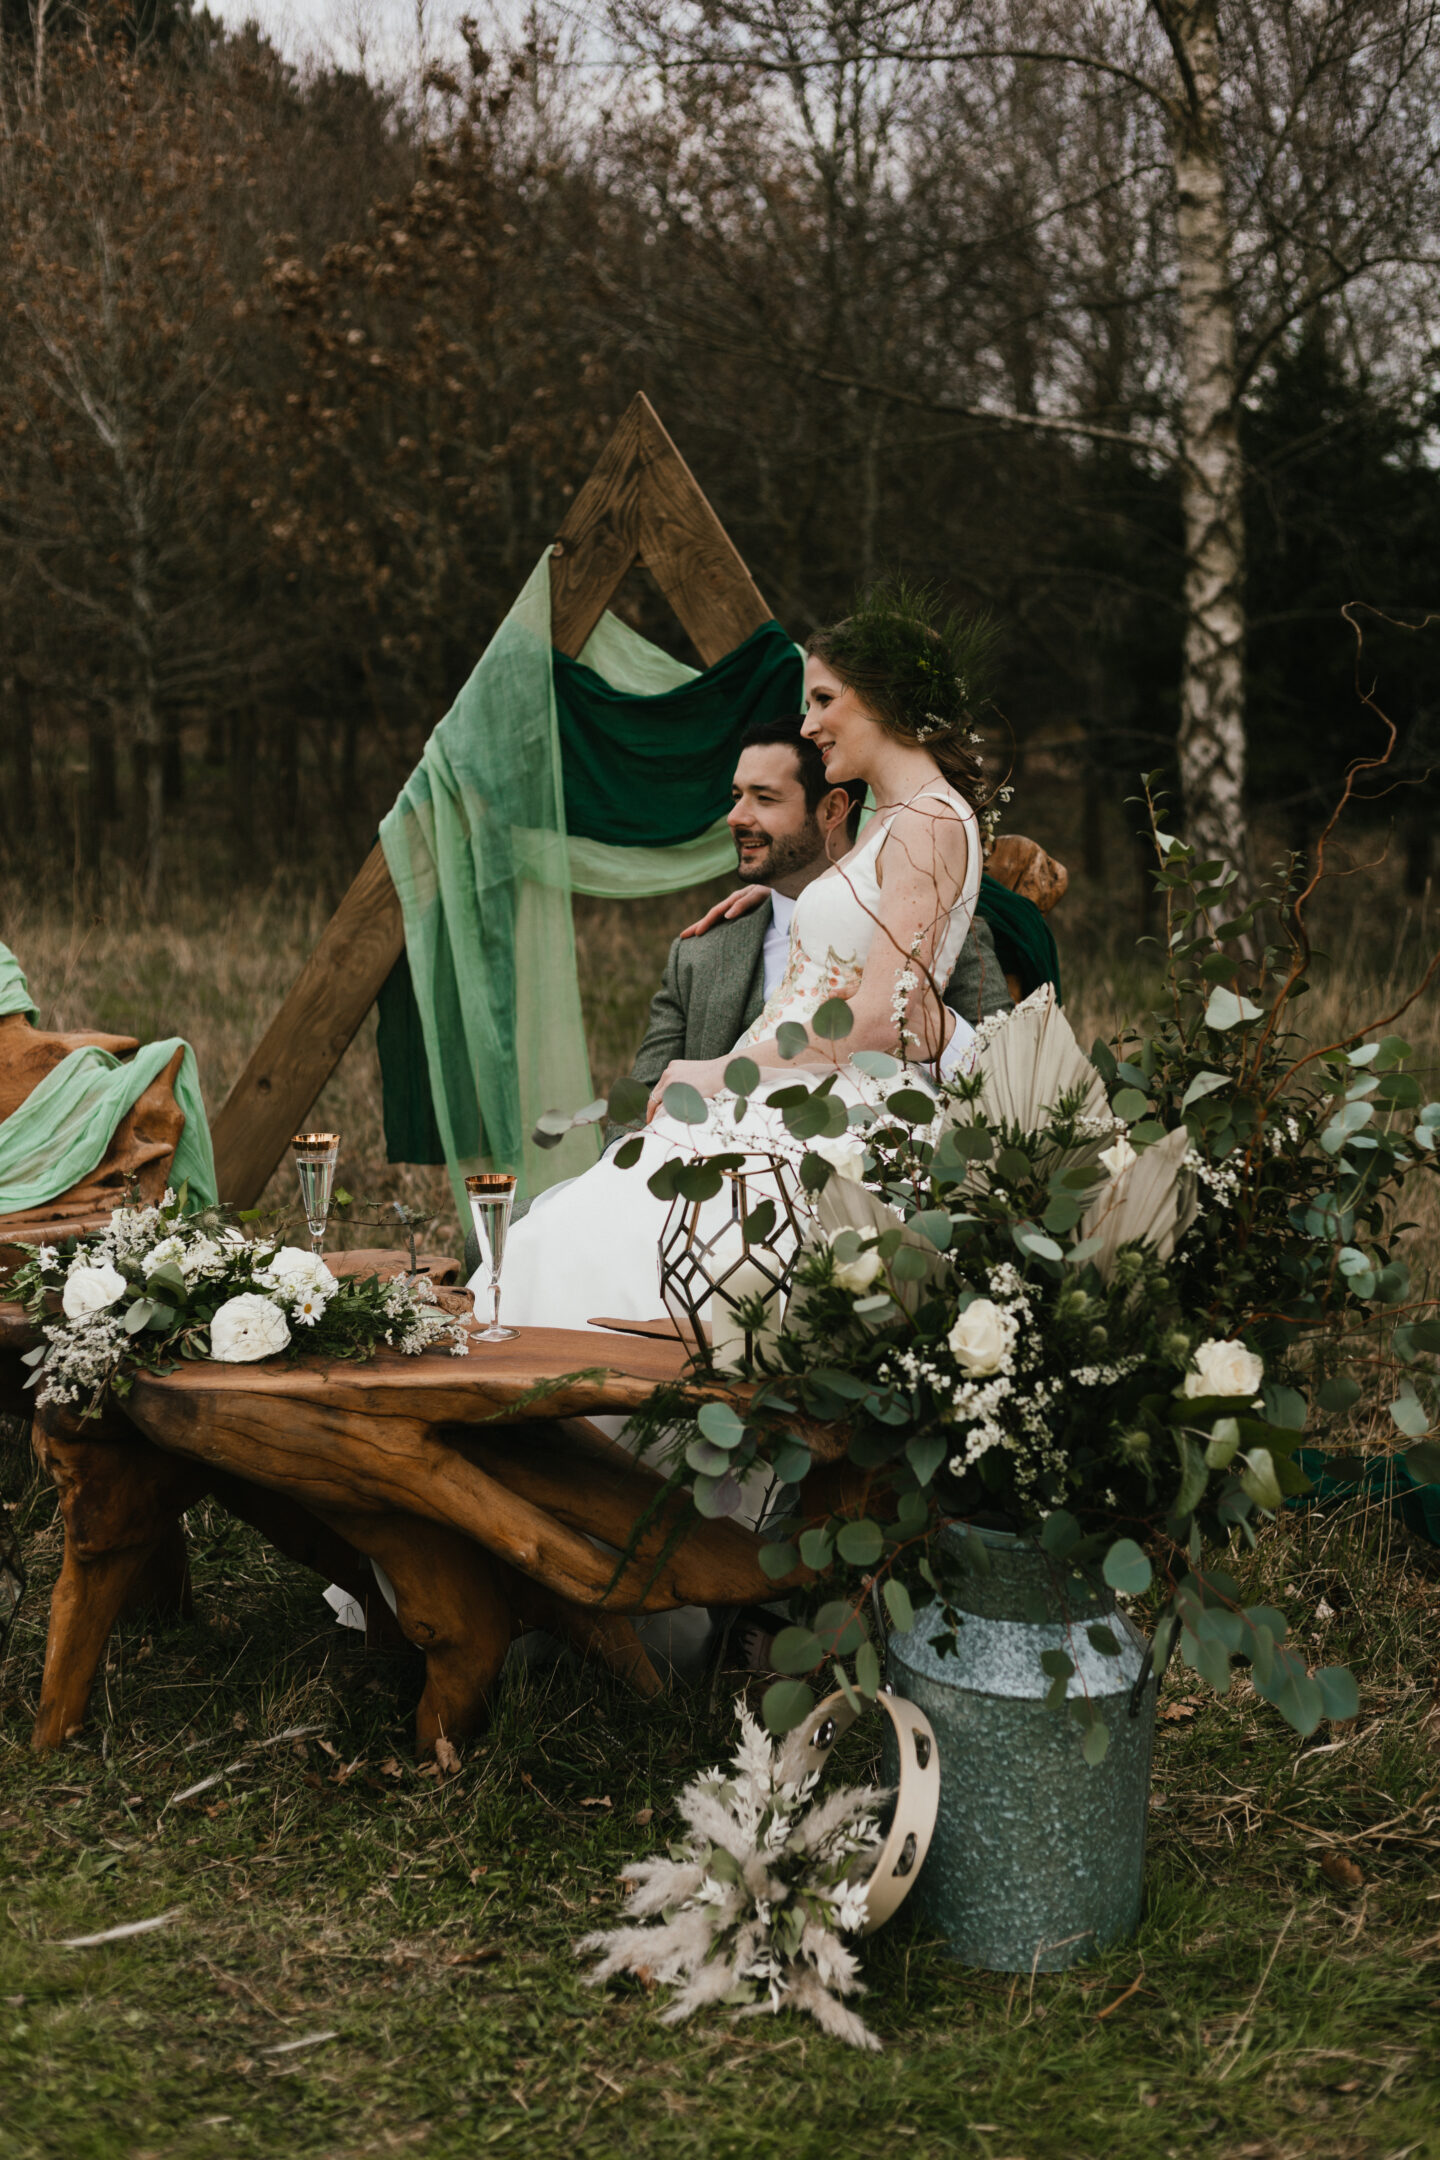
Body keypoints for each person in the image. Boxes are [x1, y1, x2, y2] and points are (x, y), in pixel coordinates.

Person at [489, 581, 997, 1336]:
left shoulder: (926, 822)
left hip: (841, 1105)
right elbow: (864, 921)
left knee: (597, 1249)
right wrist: (789, 901)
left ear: (883, 699)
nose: (810, 723)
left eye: (824, 700)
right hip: (801, 1092)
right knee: (564, 1238)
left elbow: (880, 1022)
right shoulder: (897, 818)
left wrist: (719, 1071)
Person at [630, 714, 1010, 1101]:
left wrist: (934, 1032)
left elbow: (1007, 1069)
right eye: (736, 797)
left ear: (832, 810)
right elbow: (637, 1110)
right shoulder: (697, 953)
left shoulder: (931, 923)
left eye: (765, 798)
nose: (736, 817)